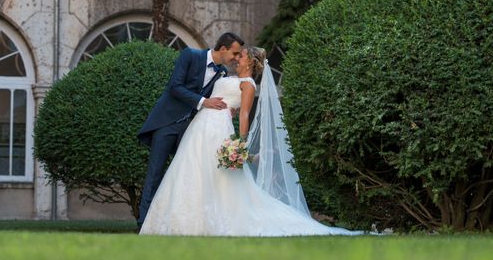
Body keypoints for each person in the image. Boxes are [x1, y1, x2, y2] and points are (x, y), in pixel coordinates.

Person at [140, 46, 363, 236]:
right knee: (190, 170)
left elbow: (245, 113)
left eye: (243, 55)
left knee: (217, 177)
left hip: (218, 130)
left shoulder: (247, 84)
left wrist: (240, 143)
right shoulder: (226, 77)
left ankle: (208, 221)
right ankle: (174, 221)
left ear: (250, 62)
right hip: (199, 128)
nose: (238, 58)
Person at [137, 32, 244, 230]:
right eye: (235, 54)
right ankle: (144, 224)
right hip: (167, 123)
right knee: (155, 173)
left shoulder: (222, 73)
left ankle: (178, 222)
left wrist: (231, 107)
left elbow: (222, 97)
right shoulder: (190, 55)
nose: (237, 58)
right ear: (223, 49)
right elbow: (175, 87)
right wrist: (204, 101)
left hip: (193, 130)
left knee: (184, 176)